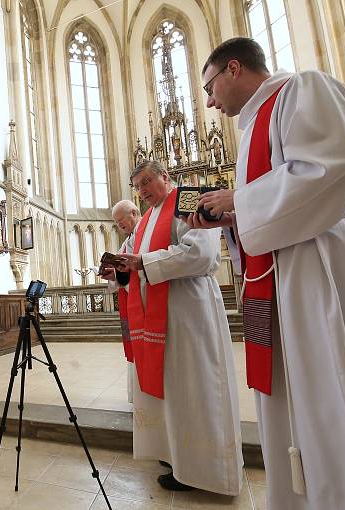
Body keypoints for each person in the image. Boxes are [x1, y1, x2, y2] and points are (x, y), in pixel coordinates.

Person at [189, 37, 345, 509]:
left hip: (318, 271)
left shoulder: (300, 91)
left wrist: (241, 201)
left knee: (334, 396)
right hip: (278, 277)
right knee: (292, 405)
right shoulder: (252, 124)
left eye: (210, 86)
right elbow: (274, 200)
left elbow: (325, 170)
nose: (210, 101)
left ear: (234, 69)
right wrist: (235, 217)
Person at [105, 160, 243, 495]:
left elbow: (202, 255)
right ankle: (178, 459)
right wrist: (120, 273)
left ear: (166, 178)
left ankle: (204, 471)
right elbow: (137, 262)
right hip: (160, 317)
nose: (143, 191)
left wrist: (144, 263)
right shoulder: (147, 220)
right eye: (138, 186)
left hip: (189, 315)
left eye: (148, 182)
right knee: (174, 392)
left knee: (195, 390)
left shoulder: (187, 201)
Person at [102, 199, 141, 404]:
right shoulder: (126, 242)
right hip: (129, 301)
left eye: (121, 220)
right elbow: (125, 276)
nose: (119, 225)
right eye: (116, 223)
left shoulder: (145, 234)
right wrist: (113, 276)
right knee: (133, 346)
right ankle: (136, 396)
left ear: (134, 213)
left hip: (142, 301)